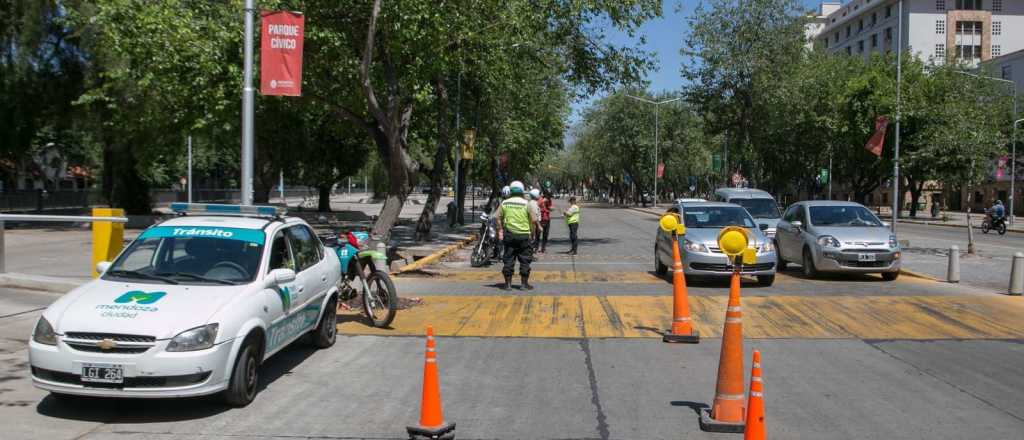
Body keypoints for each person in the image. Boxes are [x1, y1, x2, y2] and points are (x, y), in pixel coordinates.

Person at [494, 181, 538, 290]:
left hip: (509, 235)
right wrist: (532, 234)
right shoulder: (526, 203)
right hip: (524, 236)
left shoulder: (505, 203)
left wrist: (500, 229)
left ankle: (508, 284)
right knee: (525, 260)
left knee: (509, 259)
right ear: (522, 190)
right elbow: (533, 220)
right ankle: (524, 284)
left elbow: (496, 217)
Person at [538, 189, 553, 253]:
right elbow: (536, 206)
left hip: (547, 218)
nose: (549, 197)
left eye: (550, 196)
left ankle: (543, 248)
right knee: (538, 234)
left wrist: (551, 208)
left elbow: (550, 207)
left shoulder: (549, 200)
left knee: (545, 235)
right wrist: (542, 202)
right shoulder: (540, 199)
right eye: (548, 195)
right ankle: (536, 247)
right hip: (540, 219)